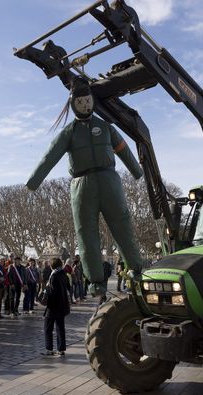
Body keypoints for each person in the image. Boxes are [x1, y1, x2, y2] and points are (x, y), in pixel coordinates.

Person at [26, 76, 144, 298]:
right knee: (86, 234)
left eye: (87, 101)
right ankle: (97, 281)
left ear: (92, 101)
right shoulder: (70, 132)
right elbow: (50, 156)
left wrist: (136, 170)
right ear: (73, 105)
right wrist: (34, 181)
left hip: (107, 181)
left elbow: (123, 149)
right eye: (80, 103)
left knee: (122, 225)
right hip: (82, 184)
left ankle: (135, 268)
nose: (85, 105)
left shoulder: (105, 127)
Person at [42, 258, 71, 356]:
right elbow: (69, 287)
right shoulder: (63, 274)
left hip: (53, 305)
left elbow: (52, 292)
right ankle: (61, 349)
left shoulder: (54, 275)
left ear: (52, 266)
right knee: (60, 327)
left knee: (47, 328)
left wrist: (45, 293)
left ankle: (49, 349)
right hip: (62, 304)